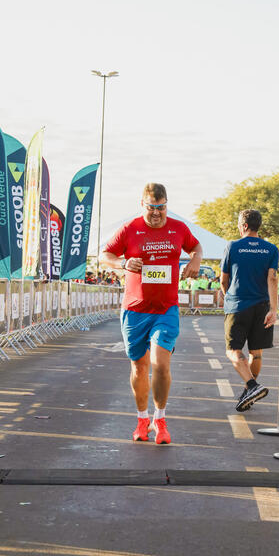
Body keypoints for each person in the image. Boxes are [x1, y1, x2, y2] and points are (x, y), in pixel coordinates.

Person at [101, 183, 202, 444]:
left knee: (160, 363)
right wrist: (123, 263)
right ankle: (141, 419)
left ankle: (161, 419)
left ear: (166, 204)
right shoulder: (130, 228)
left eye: (162, 207)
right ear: (142, 205)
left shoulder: (178, 228)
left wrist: (195, 260)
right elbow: (105, 254)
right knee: (139, 366)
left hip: (166, 308)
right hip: (135, 309)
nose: (157, 213)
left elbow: (196, 247)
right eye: (151, 208)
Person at [220, 209, 279, 412]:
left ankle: (252, 386)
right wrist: (274, 308)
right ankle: (249, 391)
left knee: (233, 350)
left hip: (238, 304)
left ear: (244, 226)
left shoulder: (233, 246)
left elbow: (223, 279)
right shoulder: (271, 249)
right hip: (262, 306)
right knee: (256, 352)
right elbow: (272, 279)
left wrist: (228, 296)